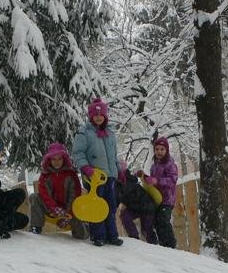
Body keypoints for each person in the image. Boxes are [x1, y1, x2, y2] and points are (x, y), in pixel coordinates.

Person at [71, 98, 123, 247]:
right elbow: (78, 153)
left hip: (110, 177)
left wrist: (119, 170)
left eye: (101, 115)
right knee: (96, 204)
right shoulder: (84, 133)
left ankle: (112, 235)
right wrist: (86, 168)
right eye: (95, 115)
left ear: (105, 116)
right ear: (91, 116)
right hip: (94, 177)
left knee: (110, 206)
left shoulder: (110, 133)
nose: (98, 117)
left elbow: (113, 154)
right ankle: (98, 235)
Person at [29, 143, 87, 239]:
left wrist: (68, 214)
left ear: (64, 159)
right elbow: (44, 194)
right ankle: (36, 227)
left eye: (59, 159)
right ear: (49, 160)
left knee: (81, 236)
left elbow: (74, 195)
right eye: (53, 159)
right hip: (51, 208)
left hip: (69, 210)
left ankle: (86, 229)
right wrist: (54, 208)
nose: (57, 162)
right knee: (34, 197)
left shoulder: (71, 174)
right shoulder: (45, 174)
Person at [137, 136, 178, 248]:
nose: (159, 152)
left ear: (166, 150)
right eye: (157, 149)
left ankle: (170, 245)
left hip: (167, 199)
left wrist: (157, 181)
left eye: (162, 149)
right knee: (156, 221)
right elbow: (152, 180)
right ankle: (163, 245)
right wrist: (144, 176)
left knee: (163, 220)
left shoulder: (170, 164)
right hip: (157, 198)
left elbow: (172, 179)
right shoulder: (155, 165)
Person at [116, 160, 158, 244]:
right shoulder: (118, 183)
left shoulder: (128, 181)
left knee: (147, 230)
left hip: (146, 206)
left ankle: (154, 246)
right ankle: (135, 239)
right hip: (134, 207)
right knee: (125, 216)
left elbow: (123, 193)